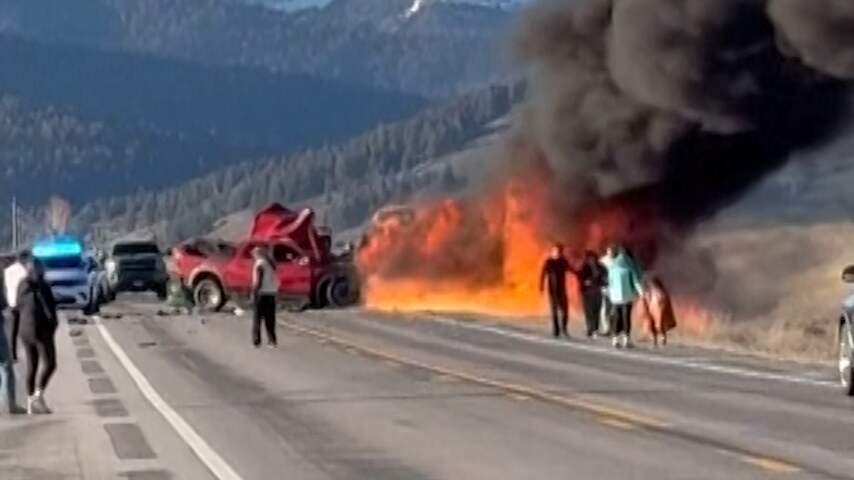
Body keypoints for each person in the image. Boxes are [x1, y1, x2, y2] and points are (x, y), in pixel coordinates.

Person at [15, 257, 58, 414]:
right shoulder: (42, 286)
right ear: (39, 269)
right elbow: (50, 307)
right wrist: (53, 325)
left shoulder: (22, 285)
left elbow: (18, 307)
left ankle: (30, 402)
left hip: (24, 330)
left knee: (32, 366)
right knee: (51, 364)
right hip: (41, 330)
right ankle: (37, 397)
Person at [603, 245, 644, 349]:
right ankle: (626, 340)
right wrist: (642, 293)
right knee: (626, 318)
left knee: (617, 318)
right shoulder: (629, 267)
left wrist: (609, 294)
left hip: (616, 298)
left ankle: (615, 339)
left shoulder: (612, 267)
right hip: (627, 297)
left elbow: (610, 283)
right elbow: (636, 282)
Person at [539, 243, 572, 338]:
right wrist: (541, 287)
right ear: (552, 251)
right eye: (556, 251)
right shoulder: (549, 262)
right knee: (554, 311)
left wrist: (579, 274)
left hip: (562, 290)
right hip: (552, 291)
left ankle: (564, 328)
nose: (558, 253)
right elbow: (543, 274)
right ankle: (556, 330)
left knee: (565, 311)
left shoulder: (563, 261)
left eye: (560, 251)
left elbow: (570, 269)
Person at [251, 246, 279, 348]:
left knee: (257, 318)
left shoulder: (259, 264)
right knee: (270, 319)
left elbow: (259, 281)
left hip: (261, 294)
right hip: (271, 293)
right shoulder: (270, 264)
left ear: (257, 254)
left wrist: (254, 292)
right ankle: (272, 340)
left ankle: (256, 341)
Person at [639, 277, 677, 347]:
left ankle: (659, 338)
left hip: (655, 306)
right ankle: (657, 339)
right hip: (652, 306)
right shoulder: (653, 292)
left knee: (658, 322)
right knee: (654, 323)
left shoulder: (659, 293)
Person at [577, 251, 606, 338]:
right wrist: (585, 281)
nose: (592, 260)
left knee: (596, 310)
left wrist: (603, 282)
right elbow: (580, 276)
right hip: (587, 292)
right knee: (588, 311)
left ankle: (595, 328)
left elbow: (605, 275)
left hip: (597, 291)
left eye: (593, 258)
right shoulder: (584, 267)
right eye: (590, 259)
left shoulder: (600, 267)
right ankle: (590, 328)